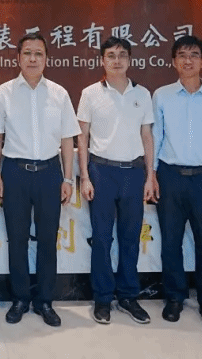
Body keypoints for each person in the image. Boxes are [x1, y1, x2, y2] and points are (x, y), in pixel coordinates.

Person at [0, 33, 81, 327]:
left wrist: (68, 179)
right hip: (14, 172)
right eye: (27, 53)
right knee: (16, 240)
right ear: (18, 58)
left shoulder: (59, 93)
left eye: (38, 53)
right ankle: (20, 299)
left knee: (47, 240)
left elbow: (67, 139)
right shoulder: (3, 92)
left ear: (46, 59)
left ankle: (45, 301)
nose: (32, 59)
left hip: (50, 173)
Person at [150, 35, 202, 330]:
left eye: (194, 55)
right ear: (174, 61)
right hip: (170, 176)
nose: (188, 60)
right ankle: (174, 297)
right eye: (182, 55)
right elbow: (155, 137)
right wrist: (151, 175)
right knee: (171, 242)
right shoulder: (161, 95)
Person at [76, 37, 155, 325]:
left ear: (130, 59)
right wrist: (85, 177)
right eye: (111, 55)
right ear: (102, 60)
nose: (117, 60)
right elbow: (82, 137)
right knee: (102, 238)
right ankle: (102, 298)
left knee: (130, 237)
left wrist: (150, 176)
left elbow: (147, 136)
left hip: (134, 172)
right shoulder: (90, 94)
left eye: (122, 55)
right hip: (101, 171)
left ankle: (128, 296)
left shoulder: (142, 94)